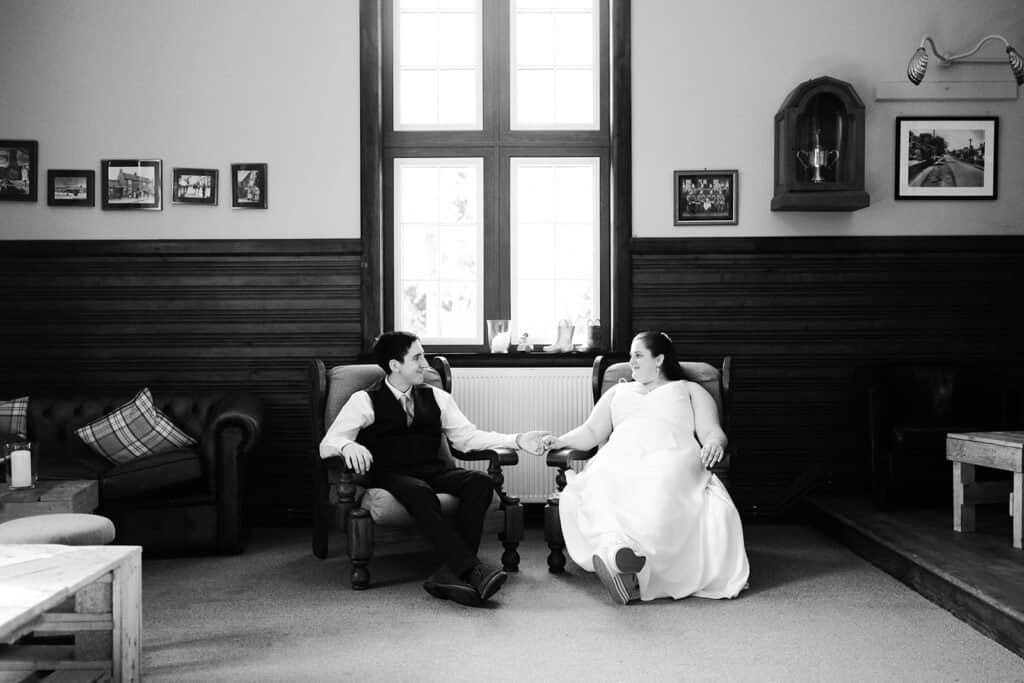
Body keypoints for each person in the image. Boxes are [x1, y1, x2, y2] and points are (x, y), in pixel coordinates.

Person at [320, 331, 550, 607]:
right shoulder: (364, 400)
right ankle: (470, 569)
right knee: (420, 492)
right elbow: (328, 444)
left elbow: (467, 438)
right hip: (393, 475)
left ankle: (451, 573)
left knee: (479, 483)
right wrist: (346, 446)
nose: (424, 364)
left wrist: (517, 440)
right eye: (417, 357)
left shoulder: (437, 397)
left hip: (434, 470)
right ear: (395, 365)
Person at [540, 331, 749, 605]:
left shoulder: (688, 390)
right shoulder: (619, 391)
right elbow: (591, 431)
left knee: (661, 479)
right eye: (630, 356)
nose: (631, 362)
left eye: (638, 355)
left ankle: (631, 567)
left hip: (673, 453)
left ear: (659, 359)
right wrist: (561, 440)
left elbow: (712, 430)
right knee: (602, 478)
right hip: (622, 454)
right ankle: (620, 555)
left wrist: (713, 444)